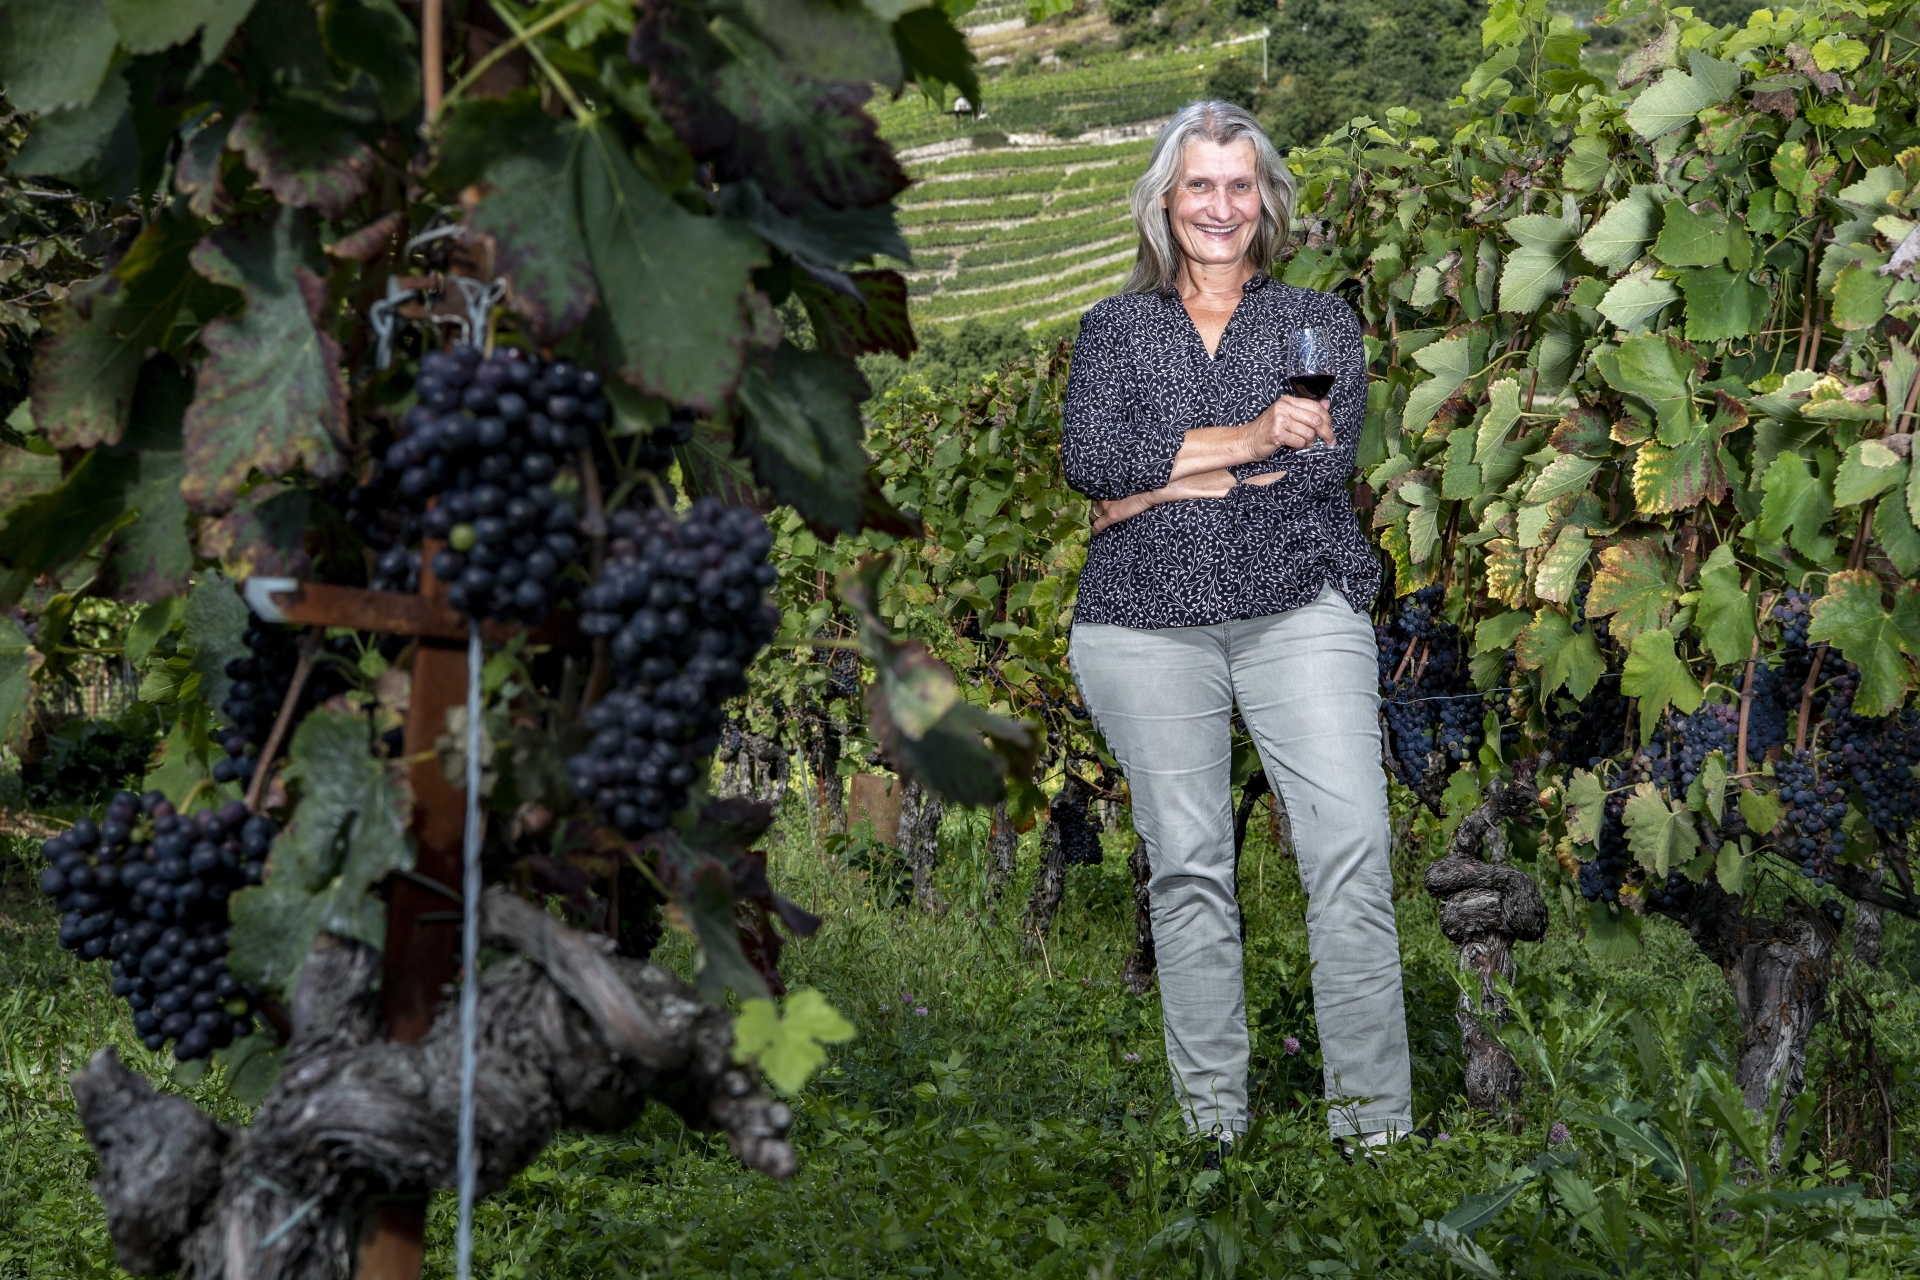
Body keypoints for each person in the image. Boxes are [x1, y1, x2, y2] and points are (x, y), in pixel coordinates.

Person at [1061, 100, 1412, 1158]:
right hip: (1141, 625)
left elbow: (1316, 469)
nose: (1221, 205)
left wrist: (1154, 482)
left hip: (1299, 605)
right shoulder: (1113, 328)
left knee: (1351, 842)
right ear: (1166, 201)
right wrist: (1247, 437)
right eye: (1200, 184)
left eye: (1240, 183)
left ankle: (1376, 1133)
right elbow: (1092, 462)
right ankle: (1217, 1132)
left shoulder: (1317, 321)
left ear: (1266, 202)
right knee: (1190, 863)